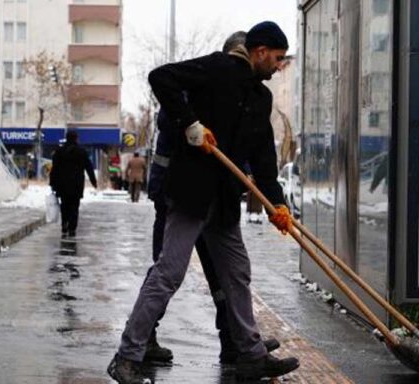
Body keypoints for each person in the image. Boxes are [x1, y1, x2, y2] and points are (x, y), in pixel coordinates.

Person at [108, 21, 298, 382]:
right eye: (275, 59)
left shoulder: (261, 99)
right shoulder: (217, 69)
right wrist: (190, 123)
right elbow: (160, 77)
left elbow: (263, 162)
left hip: (224, 203)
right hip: (192, 195)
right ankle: (127, 356)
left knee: (237, 273)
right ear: (259, 52)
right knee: (169, 273)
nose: (278, 67)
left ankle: (251, 354)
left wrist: (278, 204)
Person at [141, 31, 281, 367]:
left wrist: (249, 180)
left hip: (216, 198)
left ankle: (234, 342)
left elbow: (241, 145)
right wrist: (193, 125)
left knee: (226, 274)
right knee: (167, 269)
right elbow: (180, 135)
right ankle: (144, 337)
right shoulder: (200, 89)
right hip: (181, 196)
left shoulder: (245, 97)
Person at [49, 130, 97, 238]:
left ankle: (64, 224)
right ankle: (72, 228)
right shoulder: (81, 151)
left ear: (66, 138)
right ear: (76, 138)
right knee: (74, 206)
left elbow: (54, 168)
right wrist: (93, 181)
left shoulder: (59, 151)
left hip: (62, 184)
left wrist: (52, 183)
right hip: (76, 184)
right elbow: (88, 167)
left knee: (64, 205)